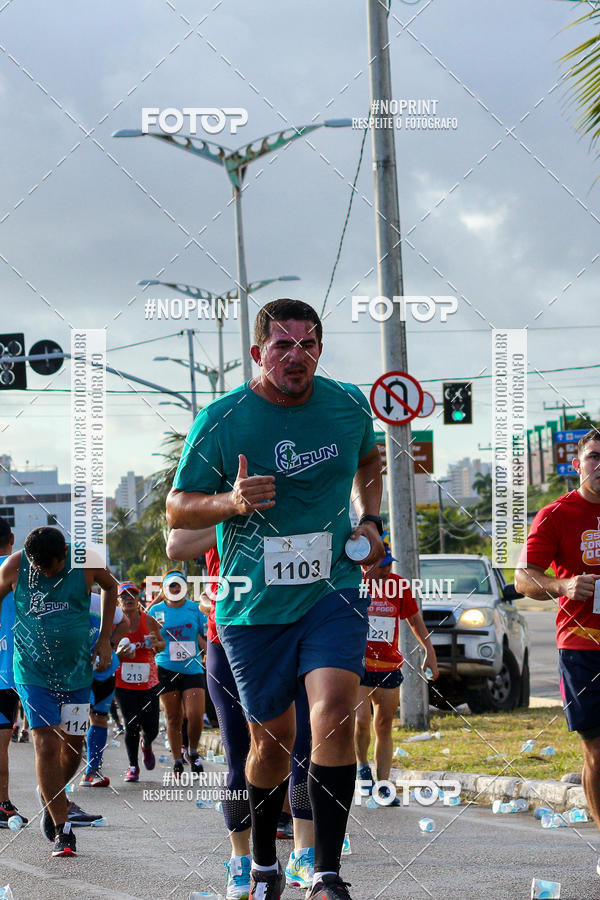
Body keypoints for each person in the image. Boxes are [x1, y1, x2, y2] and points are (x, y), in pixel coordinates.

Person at [167, 298, 384, 900]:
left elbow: (370, 459)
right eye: (283, 345)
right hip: (252, 605)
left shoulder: (346, 405)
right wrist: (231, 502)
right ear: (257, 352)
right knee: (271, 743)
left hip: (332, 588)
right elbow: (178, 509)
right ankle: (263, 862)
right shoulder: (222, 419)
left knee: (334, 714)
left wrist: (371, 520)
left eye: (308, 344)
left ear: (320, 350)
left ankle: (326, 873)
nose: (296, 356)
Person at [167, 527, 316, 899]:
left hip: (292, 636)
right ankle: (240, 860)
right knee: (239, 755)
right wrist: (209, 599)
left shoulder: (296, 509)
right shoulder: (221, 511)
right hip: (229, 640)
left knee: (302, 748)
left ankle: (303, 854)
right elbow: (179, 544)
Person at [0, 526, 117, 857]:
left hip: (77, 673)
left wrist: (105, 639)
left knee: (73, 745)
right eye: (39, 568)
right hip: (32, 672)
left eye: (50, 568)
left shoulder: (85, 559)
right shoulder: (14, 566)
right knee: (46, 743)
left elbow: (111, 586)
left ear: (64, 554)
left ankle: (51, 793)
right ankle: (63, 829)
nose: (45, 574)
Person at [515, 428, 600, 877]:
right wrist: (564, 585)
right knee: (597, 750)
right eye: (594, 457)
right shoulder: (557, 514)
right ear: (577, 464)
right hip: (583, 646)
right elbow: (523, 579)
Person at [354, 545, 439, 805]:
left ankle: (383, 786)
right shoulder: (353, 584)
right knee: (361, 720)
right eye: (382, 564)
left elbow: (414, 620)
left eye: (390, 563)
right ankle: (362, 766)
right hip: (358, 665)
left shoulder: (398, 586)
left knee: (384, 725)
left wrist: (429, 651)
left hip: (389, 665)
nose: (388, 569)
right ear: (367, 565)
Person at [150, 570, 206, 776]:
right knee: (174, 717)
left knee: (195, 715)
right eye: (171, 585)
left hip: (192, 668)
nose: (175, 588)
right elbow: (148, 633)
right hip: (166, 667)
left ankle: (192, 751)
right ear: (165, 589)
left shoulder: (195, 608)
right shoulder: (156, 610)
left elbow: (205, 635)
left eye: (179, 585)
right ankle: (176, 760)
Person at [114, 582, 165, 782]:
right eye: (124, 596)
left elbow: (162, 644)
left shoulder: (148, 620)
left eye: (132, 595)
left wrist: (156, 643)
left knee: (152, 727)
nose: (128, 599)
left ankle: (147, 744)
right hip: (123, 682)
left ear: (138, 599)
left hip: (148, 682)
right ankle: (133, 766)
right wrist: (118, 653)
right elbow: (106, 646)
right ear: (118, 601)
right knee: (131, 724)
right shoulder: (114, 622)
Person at [80, 592, 130, 786]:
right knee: (72, 718)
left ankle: (92, 769)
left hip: (102, 669)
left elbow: (124, 622)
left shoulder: (97, 600)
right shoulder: (60, 597)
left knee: (99, 717)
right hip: (73, 671)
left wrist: (108, 645)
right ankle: (60, 773)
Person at [0, 517, 27, 826]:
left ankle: (2, 802)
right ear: (11, 539)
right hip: (19, 668)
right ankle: (59, 804)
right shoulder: (19, 569)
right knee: (51, 737)